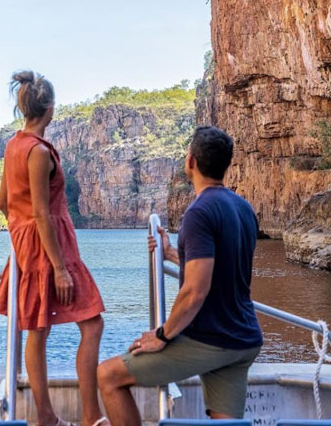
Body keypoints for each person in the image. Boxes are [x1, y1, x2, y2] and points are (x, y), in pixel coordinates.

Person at [97, 126, 263, 425]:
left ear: (191, 162)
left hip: (210, 339)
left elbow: (195, 290)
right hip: (244, 338)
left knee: (108, 375)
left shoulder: (199, 212)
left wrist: (162, 335)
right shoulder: (243, 208)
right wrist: (171, 254)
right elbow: (221, 265)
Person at [0, 70, 109, 426]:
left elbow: (3, 202)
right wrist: (59, 267)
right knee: (92, 324)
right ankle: (91, 416)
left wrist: (21, 230)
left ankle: (46, 417)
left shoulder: (14, 145)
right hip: (51, 245)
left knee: (38, 329)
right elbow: (42, 212)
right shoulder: (39, 152)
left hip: (27, 244)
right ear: (51, 109)